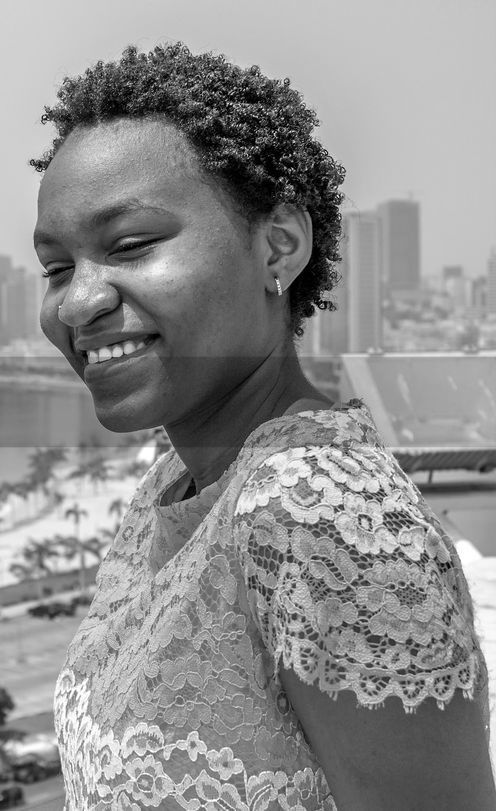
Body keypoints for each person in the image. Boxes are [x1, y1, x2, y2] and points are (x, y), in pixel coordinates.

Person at [32, 44, 494, 810]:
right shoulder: (177, 480)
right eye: (56, 267)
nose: (78, 303)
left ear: (279, 244)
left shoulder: (321, 513)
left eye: (131, 246)